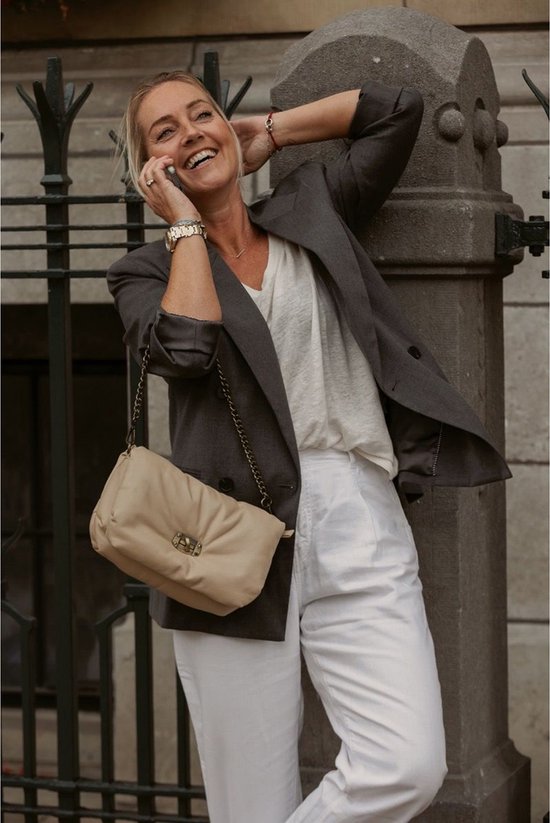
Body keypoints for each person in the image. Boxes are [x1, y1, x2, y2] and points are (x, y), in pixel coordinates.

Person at [107, 70, 510, 823]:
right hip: (227, 541)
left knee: (407, 763)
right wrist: (186, 226)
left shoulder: (310, 209)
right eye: (165, 132)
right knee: (250, 804)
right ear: (148, 170)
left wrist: (271, 132)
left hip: (355, 509)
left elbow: (397, 110)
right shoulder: (144, 272)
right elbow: (186, 348)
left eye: (202, 115)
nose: (191, 133)